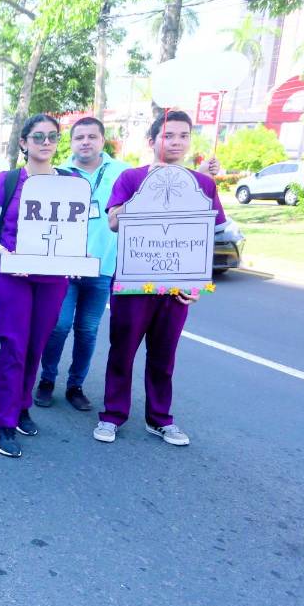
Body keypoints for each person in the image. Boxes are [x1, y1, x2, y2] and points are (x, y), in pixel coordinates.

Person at [94, 110, 227, 447]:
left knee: (164, 357)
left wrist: (195, 285)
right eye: (169, 135)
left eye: (183, 136)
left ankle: (160, 418)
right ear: (152, 141)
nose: (176, 142)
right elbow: (112, 222)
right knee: (122, 352)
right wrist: (150, 192)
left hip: (176, 288)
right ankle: (112, 416)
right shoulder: (132, 178)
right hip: (133, 284)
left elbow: (206, 233)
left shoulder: (202, 183)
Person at [0, 114, 68, 458]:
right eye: (38, 136)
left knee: (36, 347)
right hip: (12, 276)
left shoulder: (69, 182)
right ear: (25, 142)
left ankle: (22, 405)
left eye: (52, 137)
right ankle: (4, 422)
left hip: (52, 278)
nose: (46, 142)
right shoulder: (8, 180)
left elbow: (76, 233)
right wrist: (5, 254)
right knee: (14, 346)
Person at [34, 118, 129, 411]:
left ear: (103, 140)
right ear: (71, 143)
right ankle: (47, 380)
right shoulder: (59, 173)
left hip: (103, 267)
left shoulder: (122, 172)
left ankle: (76, 385)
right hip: (65, 267)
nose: (85, 142)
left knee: (87, 330)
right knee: (59, 326)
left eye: (92, 136)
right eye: (79, 138)